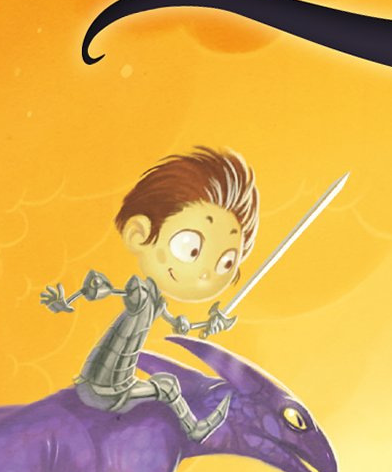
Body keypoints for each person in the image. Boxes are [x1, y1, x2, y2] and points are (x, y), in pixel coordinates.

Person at [40, 146, 257, 438]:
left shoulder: (155, 300)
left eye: (226, 262)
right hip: (106, 387)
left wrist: (210, 324)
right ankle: (194, 429)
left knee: (166, 383)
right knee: (167, 386)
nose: (206, 273)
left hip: (113, 384)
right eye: (191, 248)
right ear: (139, 234)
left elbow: (178, 323)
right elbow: (107, 291)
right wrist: (70, 298)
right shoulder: (139, 293)